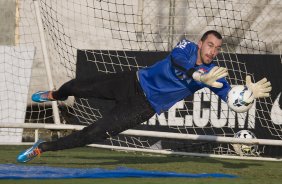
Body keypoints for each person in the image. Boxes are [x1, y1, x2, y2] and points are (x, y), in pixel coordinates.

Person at [17, 30, 272, 163]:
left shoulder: (213, 73)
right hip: (131, 81)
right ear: (200, 43)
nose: (213, 51)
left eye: (217, 49)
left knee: (93, 133)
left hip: (142, 106)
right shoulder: (187, 47)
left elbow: (229, 95)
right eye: (210, 45)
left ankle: (42, 147)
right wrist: (196, 76)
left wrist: (248, 94)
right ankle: (54, 94)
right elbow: (178, 62)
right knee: (78, 87)